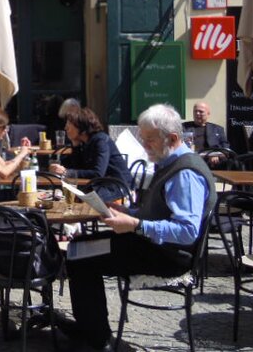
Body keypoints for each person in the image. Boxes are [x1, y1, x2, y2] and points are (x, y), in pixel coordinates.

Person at [57, 104, 216, 351]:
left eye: (149, 140)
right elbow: (159, 212)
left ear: (172, 138)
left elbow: (186, 231)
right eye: (143, 138)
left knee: (80, 257)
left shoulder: (185, 173)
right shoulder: (171, 162)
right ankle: (90, 328)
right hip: (152, 243)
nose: (144, 146)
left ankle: (95, 339)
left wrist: (135, 224)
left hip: (168, 256)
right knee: (78, 247)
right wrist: (128, 213)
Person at [48, 107, 129, 201]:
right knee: (68, 196)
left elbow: (98, 173)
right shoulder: (84, 142)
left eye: (69, 124)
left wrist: (67, 172)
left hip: (118, 187)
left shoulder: (100, 141)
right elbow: (79, 168)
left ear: (80, 126)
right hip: (101, 185)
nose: (66, 128)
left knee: (78, 199)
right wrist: (75, 144)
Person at [182, 101, 230, 168]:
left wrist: (216, 155)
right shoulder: (183, 127)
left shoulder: (217, 129)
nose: (197, 113)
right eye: (195, 111)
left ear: (208, 114)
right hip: (191, 160)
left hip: (212, 162)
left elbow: (225, 147)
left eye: (201, 112)